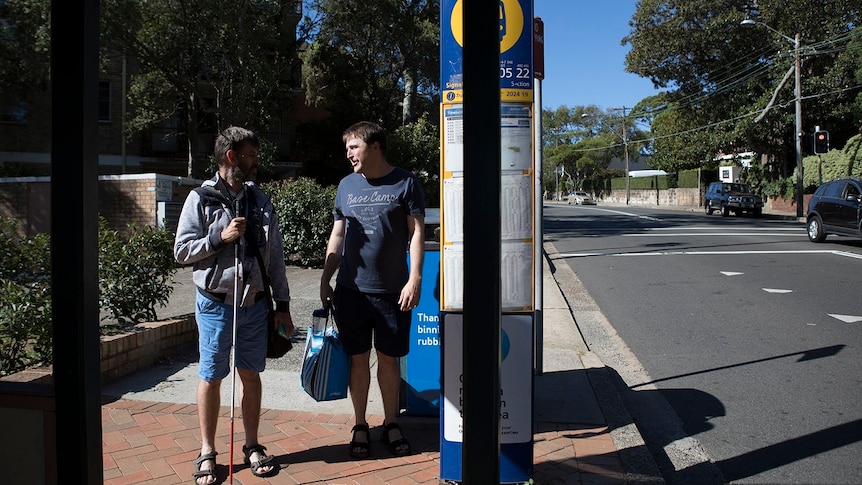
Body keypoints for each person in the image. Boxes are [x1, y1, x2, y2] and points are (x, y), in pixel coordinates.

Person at [174, 126, 294, 484]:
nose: (256, 162)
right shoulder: (202, 198)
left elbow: (275, 259)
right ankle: (208, 451)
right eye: (251, 156)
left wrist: (283, 303)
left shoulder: (261, 201)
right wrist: (219, 237)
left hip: (255, 305)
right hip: (214, 304)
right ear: (231, 156)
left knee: (250, 375)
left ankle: (253, 445)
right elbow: (182, 251)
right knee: (211, 377)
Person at [320, 121, 425, 459]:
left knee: (390, 360)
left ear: (375, 146)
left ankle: (391, 423)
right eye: (347, 148)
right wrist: (325, 277)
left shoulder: (406, 182)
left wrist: (415, 279)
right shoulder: (346, 186)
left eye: (354, 146)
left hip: (393, 291)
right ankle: (360, 423)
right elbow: (338, 235)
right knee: (357, 360)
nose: (348, 154)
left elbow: (416, 233)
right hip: (351, 289)